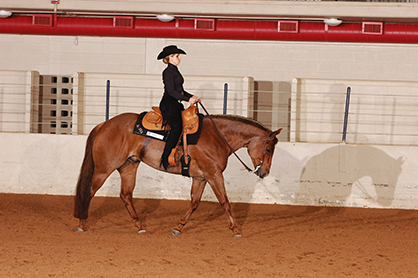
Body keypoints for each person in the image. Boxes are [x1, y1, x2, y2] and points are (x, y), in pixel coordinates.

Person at [157, 45, 201, 170]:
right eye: (176, 56)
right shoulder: (168, 72)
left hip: (175, 104)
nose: (179, 58)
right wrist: (188, 99)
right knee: (177, 127)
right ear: (169, 58)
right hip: (168, 105)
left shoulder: (174, 70)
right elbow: (171, 91)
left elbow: (180, 91)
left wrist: (192, 96)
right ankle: (165, 158)